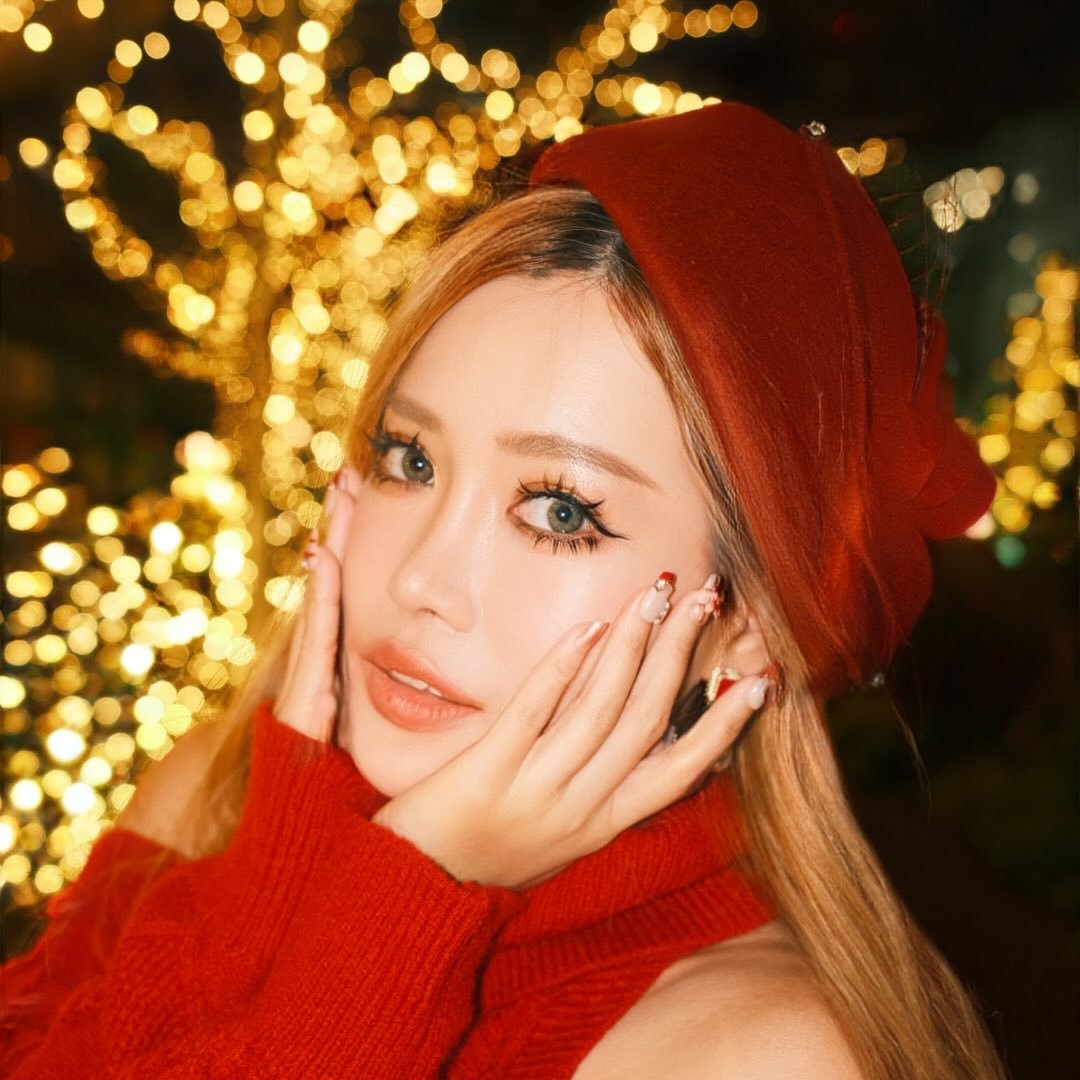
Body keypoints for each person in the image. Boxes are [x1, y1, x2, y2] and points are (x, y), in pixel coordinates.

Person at [0, 102, 1006, 1078]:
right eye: (410, 458)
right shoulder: (217, 799)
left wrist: (400, 900)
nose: (420, 577)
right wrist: (301, 883)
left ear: (752, 622)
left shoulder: (758, 1054)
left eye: (561, 512)